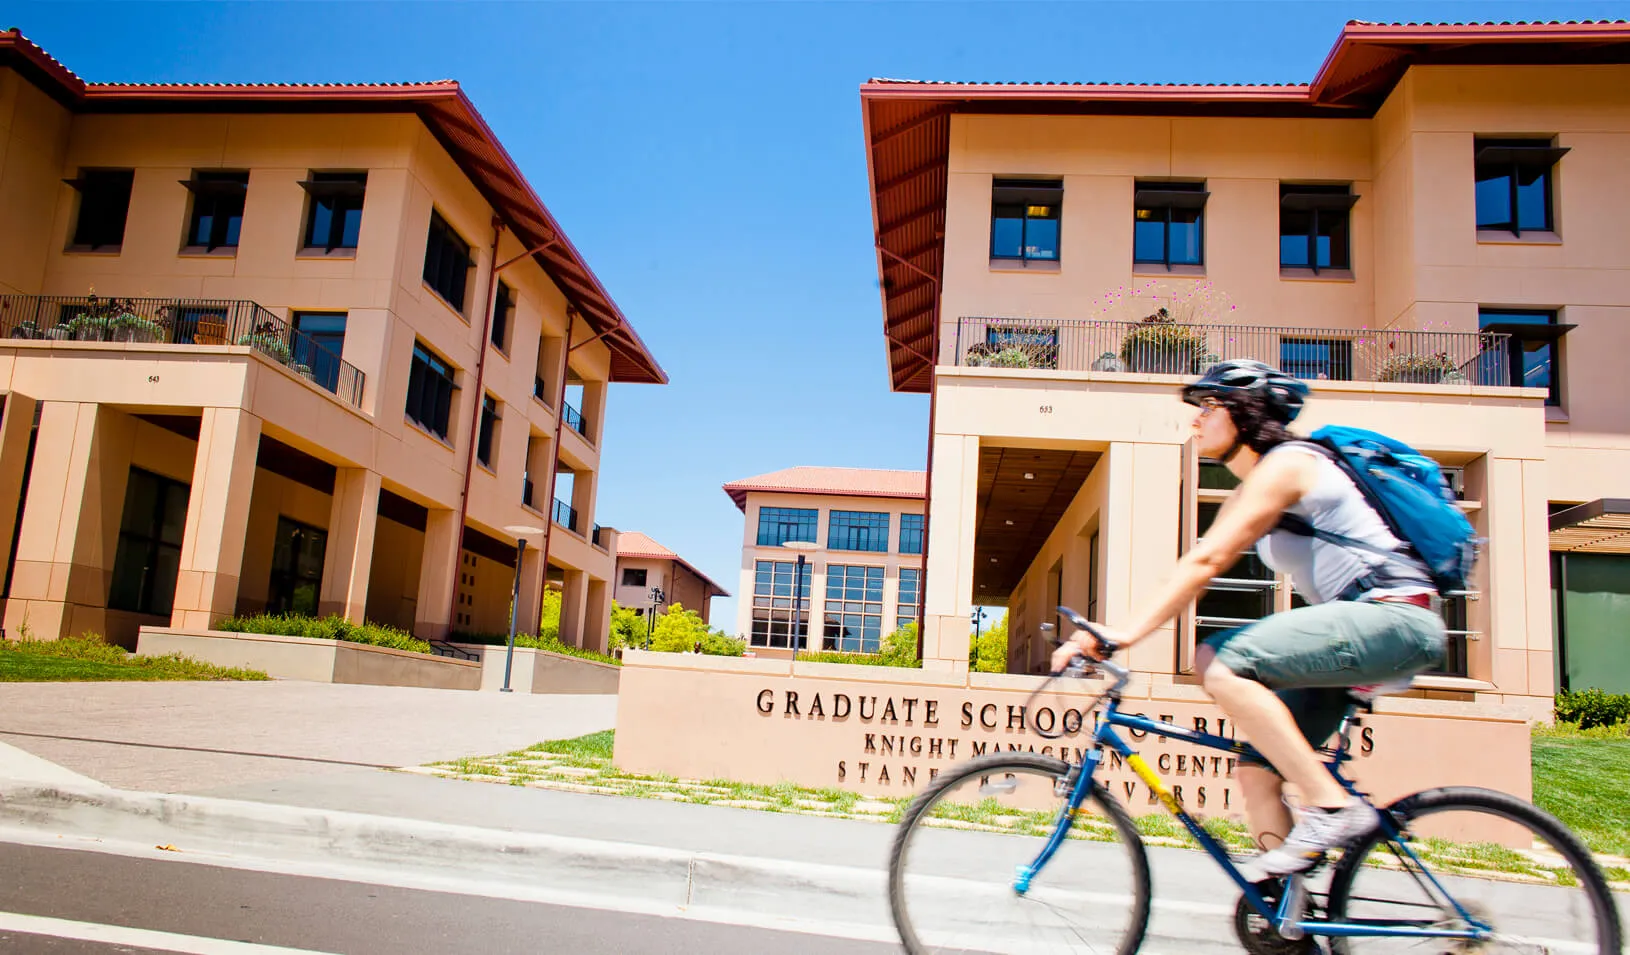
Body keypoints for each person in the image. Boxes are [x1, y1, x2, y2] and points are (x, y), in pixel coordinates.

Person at [1051, 359, 1446, 877]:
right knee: (1258, 768)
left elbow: (1206, 562)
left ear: (1242, 413)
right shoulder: (1259, 483)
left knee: (1216, 659)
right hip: (1369, 627)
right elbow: (1204, 560)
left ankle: (1331, 808)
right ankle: (1288, 917)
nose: (1195, 419)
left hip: (1394, 618)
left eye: (1208, 407)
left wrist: (1120, 633)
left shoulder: (1290, 463)